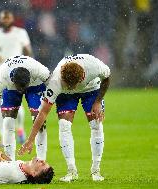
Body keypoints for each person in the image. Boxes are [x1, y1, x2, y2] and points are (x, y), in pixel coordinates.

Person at [19, 54, 111, 182]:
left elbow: (107, 78)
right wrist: (30, 140)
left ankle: (96, 170)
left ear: (81, 78)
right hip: (66, 95)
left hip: (91, 90)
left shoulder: (94, 66)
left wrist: (98, 101)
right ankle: (71, 170)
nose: (70, 87)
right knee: (64, 126)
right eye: (66, 84)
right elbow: (43, 113)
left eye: (72, 85)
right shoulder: (56, 81)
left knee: (96, 125)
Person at [0, 10, 33, 145]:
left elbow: (28, 50)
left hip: (16, 72)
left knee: (17, 102)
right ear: (0, 20)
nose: (6, 20)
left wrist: (27, 61)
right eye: (3, 19)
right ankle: (1, 136)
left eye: (8, 18)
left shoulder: (20, 33)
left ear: (12, 19)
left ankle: (20, 128)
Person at [0, 55, 50, 161]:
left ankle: (41, 162)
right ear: (13, 80)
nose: (22, 91)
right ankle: (10, 162)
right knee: (8, 121)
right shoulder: (0, 79)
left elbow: (53, 85)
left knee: (40, 122)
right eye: (20, 88)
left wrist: (50, 100)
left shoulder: (39, 70)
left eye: (24, 87)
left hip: (35, 86)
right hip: (11, 89)